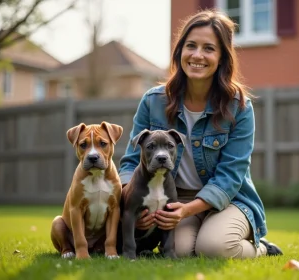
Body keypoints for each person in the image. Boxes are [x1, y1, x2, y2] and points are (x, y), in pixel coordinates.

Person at [118, 9, 282, 258]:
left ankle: (261, 248)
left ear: (222, 58)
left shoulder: (238, 106)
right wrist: (133, 200)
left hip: (229, 199)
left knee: (214, 247)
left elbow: (230, 176)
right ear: (180, 51)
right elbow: (131, 161)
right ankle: (201, 232)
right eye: (191, 46)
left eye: (209, 48)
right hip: (175, 198)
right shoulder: (153, 101)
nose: (197, 55)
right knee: (181, 251)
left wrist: (187, 211)